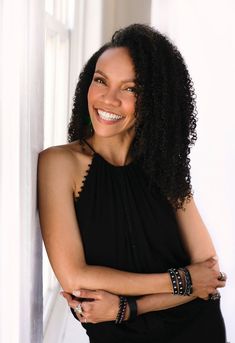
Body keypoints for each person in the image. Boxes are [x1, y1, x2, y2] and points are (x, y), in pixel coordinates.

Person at [38, 24, 227, 343]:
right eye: (101, 81)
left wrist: (127, 308)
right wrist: (183, 281)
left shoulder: (165, 168)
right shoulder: (59, 164)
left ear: (155, 100)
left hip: (197, 331)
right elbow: (75, 277)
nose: (108, 99)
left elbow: (208, 278)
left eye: (130, 89)